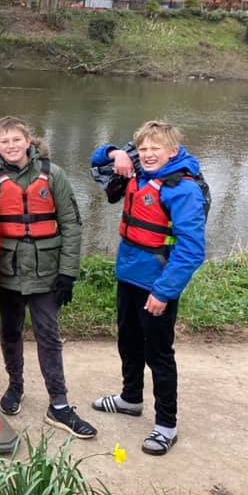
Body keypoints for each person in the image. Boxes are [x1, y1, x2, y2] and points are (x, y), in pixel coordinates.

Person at [90, 120, 207, 456]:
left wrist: (164, 292)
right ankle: (130, 399)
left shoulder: (182, 189)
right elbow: (96, 162)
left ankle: (166, 425)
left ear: (172, 151)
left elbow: (191, 249)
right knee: (127, 340)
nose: (149, 154)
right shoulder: (138, 173)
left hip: (157, 283)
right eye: (143, 149)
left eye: (156, 148)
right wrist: (115, 153)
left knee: (158, 353)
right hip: (128, 275)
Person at [0, 117, 96, 439]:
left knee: (48, 337)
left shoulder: (54, 175)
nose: (12, 146)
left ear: (29, 141)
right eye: (5, 141)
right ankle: (15, 386)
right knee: (10, 333)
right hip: (8, 273)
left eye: (17, 139)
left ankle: (58, 403)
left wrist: (68, 273)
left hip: (46, 274)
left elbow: (71, 225)